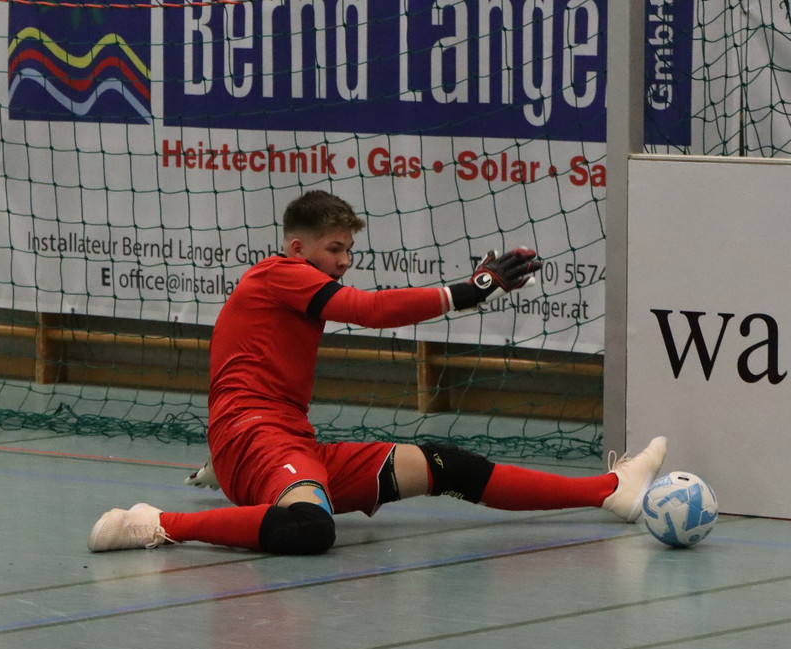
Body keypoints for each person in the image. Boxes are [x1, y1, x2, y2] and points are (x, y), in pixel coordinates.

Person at [87, 190, 666, 554]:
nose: (344, 261)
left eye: (349, 251)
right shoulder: (280, 273)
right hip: (256, 435)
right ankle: (155, 524)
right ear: (297, 248)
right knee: (310, 530)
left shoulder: (290, 285)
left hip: (286, 440)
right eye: (334, 249)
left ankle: (611, 491)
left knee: (443, 465)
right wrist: (469, 291)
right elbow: (366, 310)